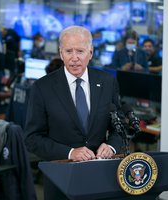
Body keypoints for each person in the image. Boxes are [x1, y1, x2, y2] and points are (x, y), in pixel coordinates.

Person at [24, 25, 124, 199]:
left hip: (101, 176)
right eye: (69, 51)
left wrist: (111, 146)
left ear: (90, 53)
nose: (75, 58)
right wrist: (70, 152)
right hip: (61, 178)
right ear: (61, 53)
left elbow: (120, 126)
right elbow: (32, 139)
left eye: (80, 51)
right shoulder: (42, 88)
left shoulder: (107, 82)